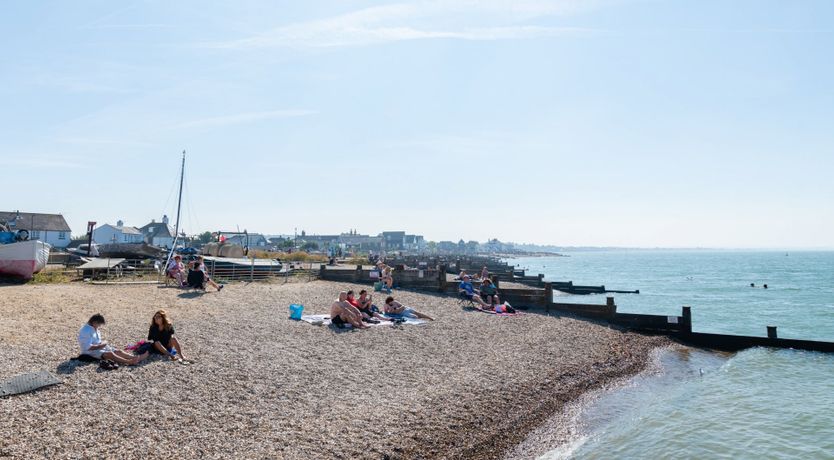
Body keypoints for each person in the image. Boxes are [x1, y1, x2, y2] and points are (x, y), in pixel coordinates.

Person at [78, 314, 148, 365]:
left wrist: (103, 343)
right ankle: (128, 362)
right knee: (110, 354)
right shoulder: (86, 330)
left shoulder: (94, 328)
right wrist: (102, 345)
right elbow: (87, 347)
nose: (99, 327)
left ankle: (134, 357)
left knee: (118, 351)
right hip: (89, 352)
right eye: (99, 325)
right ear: (94, 322)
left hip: (99, 346)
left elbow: (97, 341)